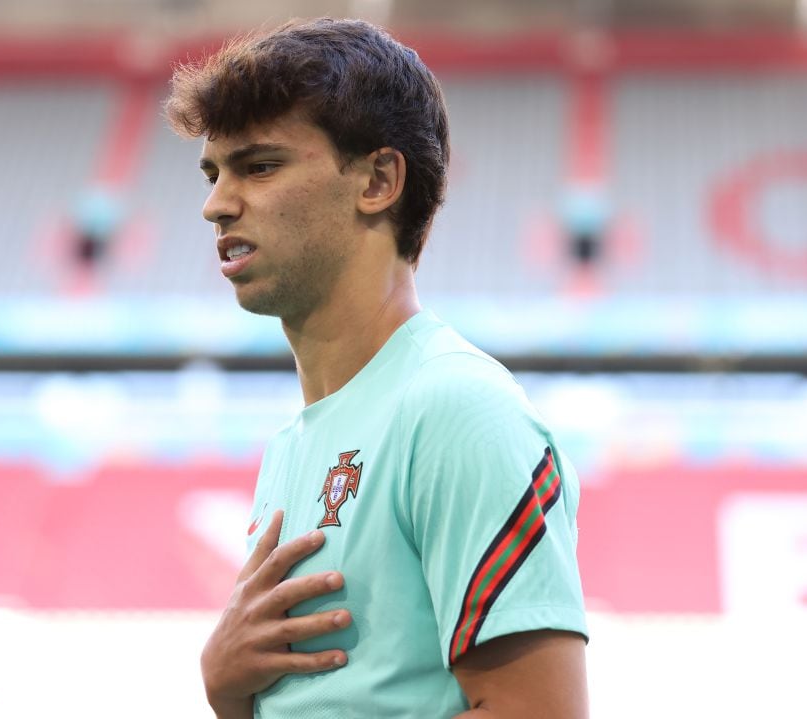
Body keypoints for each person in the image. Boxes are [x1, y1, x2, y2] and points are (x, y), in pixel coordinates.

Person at [165, 17, 589, 719]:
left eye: (259, 165)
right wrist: (226, 689)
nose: (216, 204)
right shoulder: (291, 447)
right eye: (214, 173)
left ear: (379, 180)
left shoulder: (456, 408)